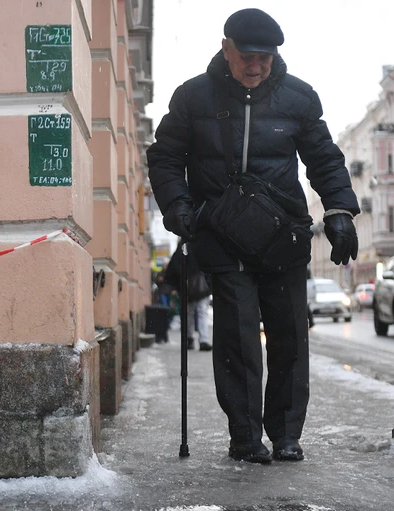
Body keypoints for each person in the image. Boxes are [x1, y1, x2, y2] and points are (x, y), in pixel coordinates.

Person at [147, 9, 359, 464]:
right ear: (227, 48)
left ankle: (285, 434)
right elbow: (165, 157)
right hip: (221, 234)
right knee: (238, 338)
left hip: (283, 235)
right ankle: (245, 435)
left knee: (289, 337)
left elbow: (324, 158)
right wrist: (178, 206)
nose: (257, 66)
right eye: (248, 56)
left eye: (266, 57)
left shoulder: (299, 97)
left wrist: (339, 210)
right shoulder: (193, 97)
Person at [165, 243, 212, 351]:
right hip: (197, 285)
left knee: (191, 313)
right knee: (198, 312)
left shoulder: (184, 245)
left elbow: (174, 266)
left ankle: (194, 339)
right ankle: (199, 340)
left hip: (194, 285)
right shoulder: (196, 243)